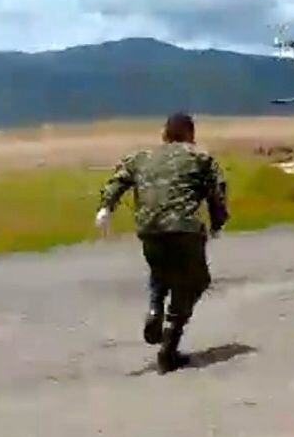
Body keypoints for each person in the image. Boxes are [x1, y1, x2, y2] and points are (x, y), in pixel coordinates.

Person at [95, 113, 229, 374]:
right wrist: (217, 222)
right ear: (190, 134)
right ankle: (169, 343)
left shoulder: (141, 157)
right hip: (184, 228)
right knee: (194, 281)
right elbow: (217, 191)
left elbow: (118, 180)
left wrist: (105, 208)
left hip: (150, 228)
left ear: (164, 134)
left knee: (160, 270)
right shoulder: (200, 157)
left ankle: (155, 308)